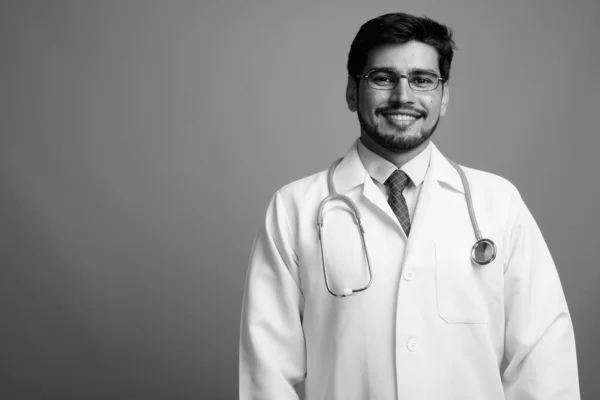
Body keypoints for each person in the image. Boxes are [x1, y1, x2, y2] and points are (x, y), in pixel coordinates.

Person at [239, 12, 580, 400]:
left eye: (422, 80)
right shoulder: (293, 209)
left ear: (443, 95)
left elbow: (544, 360)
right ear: (352, 91)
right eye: (383, 78)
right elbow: (267, 374)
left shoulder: (498, 204)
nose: (403, 96)